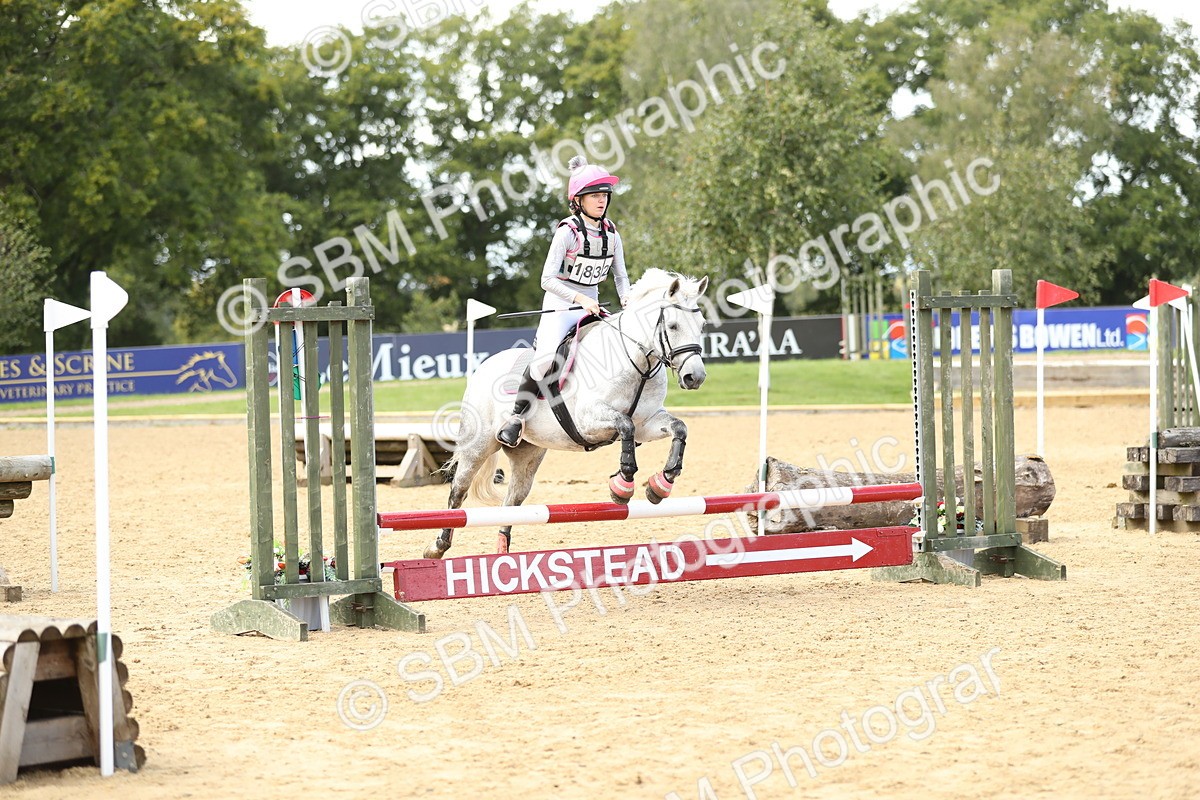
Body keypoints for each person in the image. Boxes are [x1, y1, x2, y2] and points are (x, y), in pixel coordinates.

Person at [496, 155, 631, 447]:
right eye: (594, 196)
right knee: (544, 362)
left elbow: (621, 277)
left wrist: (627, 302)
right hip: (561, 306)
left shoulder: (612, 234)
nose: (601, 201)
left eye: (604, 195)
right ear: (578, 201)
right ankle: (515, 417)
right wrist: (580, 297)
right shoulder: (566, 232)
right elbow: (547, 280)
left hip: (593, 306)